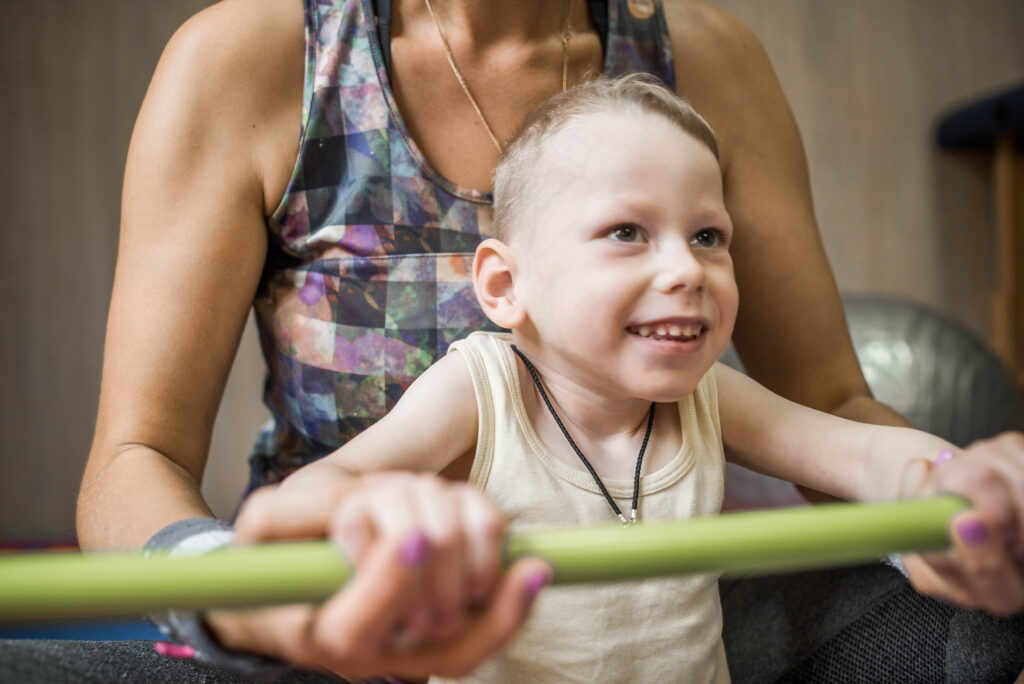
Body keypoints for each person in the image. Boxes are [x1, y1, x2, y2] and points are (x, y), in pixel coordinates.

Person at [61, 0, 1022, 681]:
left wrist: (951, 487)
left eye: (709, 237)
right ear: (501, 286)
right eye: (626, 234)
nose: (685, 268)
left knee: (985, 615)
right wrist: (260, 582)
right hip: (352, 633)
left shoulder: (698, 388)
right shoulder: (481, 380)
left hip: (680, 634)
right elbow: (268, 483)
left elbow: (842, 430)